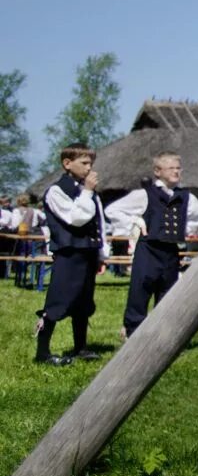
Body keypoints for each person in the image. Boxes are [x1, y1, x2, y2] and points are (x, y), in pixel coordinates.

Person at [105, 151, 198, 339]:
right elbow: (113, 210)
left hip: (171, 251)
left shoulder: (187, 197)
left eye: (178, 168)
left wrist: (184, 231)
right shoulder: (144, 194)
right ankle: (132, 332)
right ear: (157, 171)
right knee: (140, 289)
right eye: (171, 168)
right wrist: (136, 221)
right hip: (148, 249)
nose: (176, 172)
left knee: (168, 293)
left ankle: (163, 336)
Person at [36, 144, 110, 364]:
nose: (89, 168)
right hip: (69, 254)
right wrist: (87, 191)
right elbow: (76, 218)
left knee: (83, 303)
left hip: (88, 253)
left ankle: (80, 347)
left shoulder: (90, 193)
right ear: (67, 164)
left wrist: (101, 253)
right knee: (58, 301)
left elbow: (100, 223)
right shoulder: (56, 191)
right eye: (84, 163)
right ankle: (42, 352)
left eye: (91, 164)